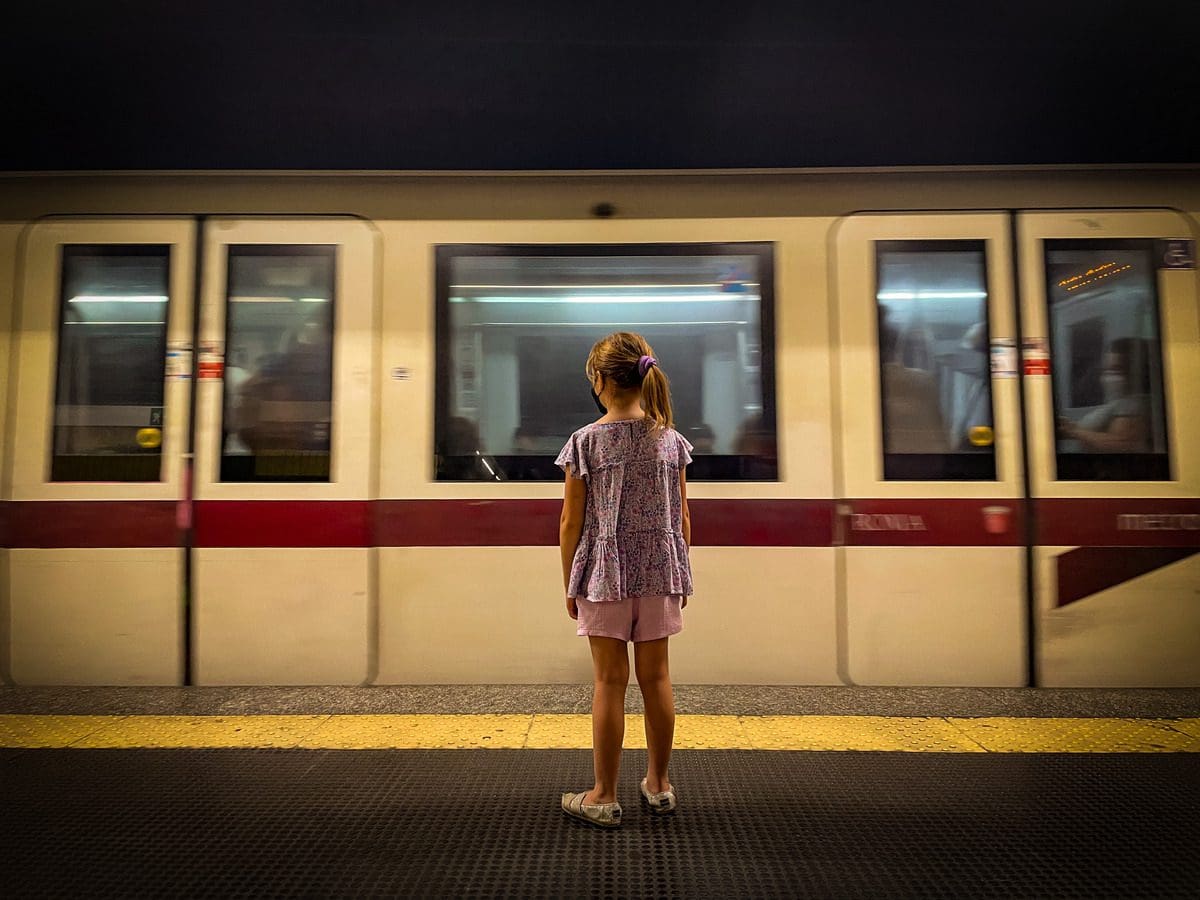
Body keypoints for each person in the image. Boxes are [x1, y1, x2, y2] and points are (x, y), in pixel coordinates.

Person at [556, 332, 693, 829]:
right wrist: (679, 572)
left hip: (605, 574)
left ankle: (603, 795)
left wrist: (571, 581)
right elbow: (681, 517)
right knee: (656, 678)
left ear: (598, 381)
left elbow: (572, 521)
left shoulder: (585, 442)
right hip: (660, 570)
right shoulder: (672, 442)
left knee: (609, 682)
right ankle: (658, 784)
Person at [1057, 336, 1152, 453]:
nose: (1109, 377)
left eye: (1117, 370)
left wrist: (1074, 432)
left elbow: (1122, 443)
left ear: (1134, 371)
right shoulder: (1120, 402)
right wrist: (1070, 428)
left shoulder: (1135, 403)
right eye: (1106, 370)